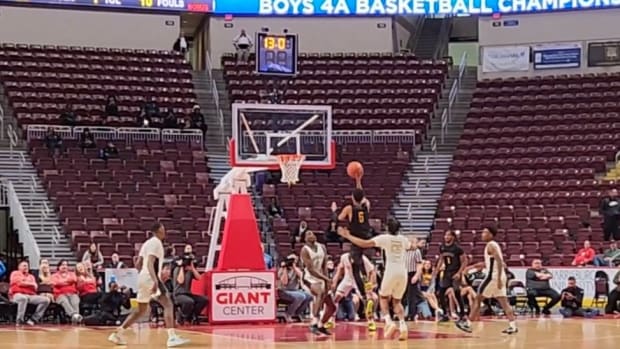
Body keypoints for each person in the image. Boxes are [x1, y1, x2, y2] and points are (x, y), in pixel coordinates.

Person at [108, 222, 189, 347]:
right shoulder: (156, 242)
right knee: (168, 304)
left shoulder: (146, 243)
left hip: (142, 277)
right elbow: (150, 262)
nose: (165, 231)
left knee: (140, 310)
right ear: (158, 231)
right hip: (151, 278)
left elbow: (138, 264)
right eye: (163, 229)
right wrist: (155, 280)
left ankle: (117, 334)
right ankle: (172, 337)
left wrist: (144, 275)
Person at [338, 217, 411, 340]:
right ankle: (403, 326)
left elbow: (364, 243)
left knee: (383, 297)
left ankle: (389, 322)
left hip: (391, 271)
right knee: (397, 301)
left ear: (387, 228)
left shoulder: (385, 238)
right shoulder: (403, 240)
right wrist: (415, 242)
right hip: (403, 272)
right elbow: (412, 246)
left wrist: (348, 236)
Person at [467, 227, 518, 334]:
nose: (482, 234)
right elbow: (496, 262)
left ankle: (468, 324)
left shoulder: (490, 245)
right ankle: (513, 326)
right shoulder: (493, 245)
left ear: (491, 234)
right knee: (504, 302)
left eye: (485, 232)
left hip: (493, 277)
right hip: (498, 276)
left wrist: (498, 278)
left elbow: (499, 262)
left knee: (477, 298)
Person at [334, 186, 373, 314]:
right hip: (366, 238)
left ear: (352, 197)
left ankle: (364, 291)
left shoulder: (349, 208)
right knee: (358, 262)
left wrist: (334, 211)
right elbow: (362, 196)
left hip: (356, 240)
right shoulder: (366, 205)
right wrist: (358, 180)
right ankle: (366, 283)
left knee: (355, 268)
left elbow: (339, 218)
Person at [300, 230, 336, 336]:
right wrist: (325, 278)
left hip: (321, 277)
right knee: (320, 293)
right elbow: (311, 270)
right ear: (304, 239)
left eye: (312, 233)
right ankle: (314, 322)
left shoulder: (322, 247)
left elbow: (324, 265)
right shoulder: (304, 250)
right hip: (309, 278)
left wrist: (327, 280)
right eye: (308, 234)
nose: (311, 235)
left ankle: (321, 325)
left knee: (332, 307)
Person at [330, 251, 378, 330]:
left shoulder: (363, 259)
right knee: (336, 297)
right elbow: (340, 269)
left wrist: (370, 284)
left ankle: (371, 321)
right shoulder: (344, 257)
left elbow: (372, 272)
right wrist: (335, 281)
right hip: (347, 279)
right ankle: (331, 320)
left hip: (359, 280)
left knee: (367, 300)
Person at [432, 230, 469, 330]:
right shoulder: (442, 247)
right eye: (445, 235)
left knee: (457, 293)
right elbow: (441, 259)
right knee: (440, 293)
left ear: (453, 237)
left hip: (455, 272)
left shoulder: (457, 248)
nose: (446, 237)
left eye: (448, 235)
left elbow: (465, 261)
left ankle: (462, 314)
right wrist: (436, 270)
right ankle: (445, 314)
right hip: (447, 272)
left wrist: (459, 273)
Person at [9, 260, 51, 326]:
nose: (26, 267)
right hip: (17, 294)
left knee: (46, 300)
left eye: (27, 266)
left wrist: (26, 283)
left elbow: (35, 288)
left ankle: (33, 319)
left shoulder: (31, 276)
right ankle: (20, 320)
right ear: (19, 267)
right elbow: (19, 283)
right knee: (23, 298)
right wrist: (31, 284)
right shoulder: (15, 273)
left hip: (30, 295)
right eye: (24, 266)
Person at [277, 254, 312, 322]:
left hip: (294, 290)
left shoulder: (296, 269)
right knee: (300, 296)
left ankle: (297, 313)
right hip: (283, 291)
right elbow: (284, 282)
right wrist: (285, 268)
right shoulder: (282, 269)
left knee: (309, 296)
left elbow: (301, 276)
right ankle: (288, 314)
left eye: (294, 260)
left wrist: (294, 267)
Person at [51, 259, 82, 324]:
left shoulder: (72, 274)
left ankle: (75, 317)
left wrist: (62, 282)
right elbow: (55, 283)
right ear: (58, 267)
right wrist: (68, 282)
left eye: (66, 265)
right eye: (62, 265)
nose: (64, 266)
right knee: (64, 301)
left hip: (72, 293)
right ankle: (74, 315)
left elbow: (74, 279)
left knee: (75, 301)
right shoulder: (54, 275)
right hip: (59, 294)